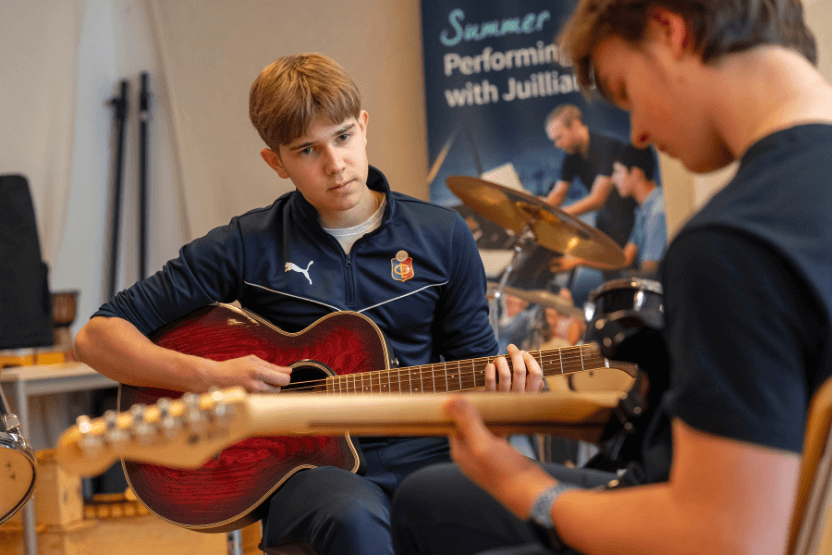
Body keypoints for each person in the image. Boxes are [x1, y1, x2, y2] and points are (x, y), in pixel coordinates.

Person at [391, 0, 831, 553]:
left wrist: (524, 484)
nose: (639, 133)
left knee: (427, 507)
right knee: (428, 496)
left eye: (626, 92)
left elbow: (724, 540)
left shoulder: (733, 242)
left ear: (670, 30)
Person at [73, 53, 541, 554]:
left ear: (363, 127)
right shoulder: (246, 243)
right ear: (276, 162)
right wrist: (211, 378)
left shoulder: (444, 236)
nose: (335, 164)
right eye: (307, 150)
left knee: (531, 512)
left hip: (427, 454)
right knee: (354, 520)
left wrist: (513, 393)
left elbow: (475, 365)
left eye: (342, 137)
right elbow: (96, 337)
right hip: (310, 469)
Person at [550, 144, 667, 278]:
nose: (614, 179)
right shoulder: (643, 209)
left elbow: (649, 274)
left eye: (617, 171)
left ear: (635, 174)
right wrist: (577, 260)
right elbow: (625, 259)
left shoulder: (657, 211)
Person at [543, 103, 636, 249]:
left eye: (559, 137)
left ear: (575, 125)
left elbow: (597, 199)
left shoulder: (608, 146)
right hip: (605, 225)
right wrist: (539, 210)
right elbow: (558, 195)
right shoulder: (571, 154)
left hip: (631, 226)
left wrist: (558, 216)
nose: (557, 144)